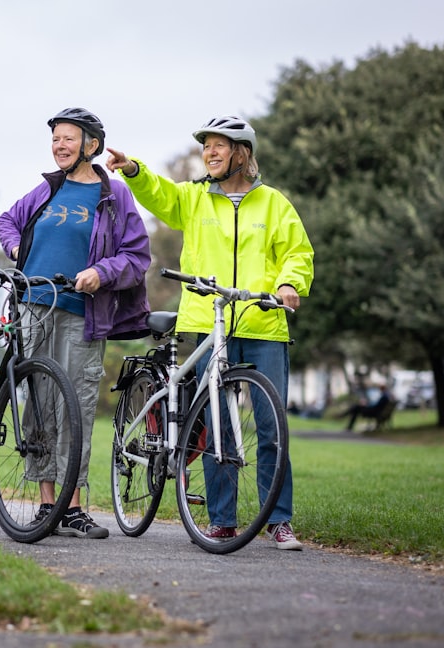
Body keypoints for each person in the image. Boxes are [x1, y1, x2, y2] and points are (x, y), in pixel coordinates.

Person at [106, 115, 314, 551]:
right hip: (209, 322)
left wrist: (290, 284)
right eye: (207, 147)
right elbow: (162, 195)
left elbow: (297, 252)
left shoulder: (274, 204)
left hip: (263, 324)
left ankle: (279, 521)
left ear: (242, 154)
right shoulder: (196, 198)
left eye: (220, 146)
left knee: (271, 428)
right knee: (218, 426)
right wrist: (134, 170)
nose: (211, 153)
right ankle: (221, 520)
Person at [0, 107, 151, 539]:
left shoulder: (113, 194)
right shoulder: (47, 190)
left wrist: (101, 272)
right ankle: (48, 504)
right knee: (40, 406)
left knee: (75, 408)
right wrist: (14, 249)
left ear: (92, 146)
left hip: (83, 314)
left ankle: (73, 506)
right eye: (55, 139)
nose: (59, 146)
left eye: (68, 139)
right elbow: (7, 221)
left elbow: (137, 257)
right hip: (33, 306)